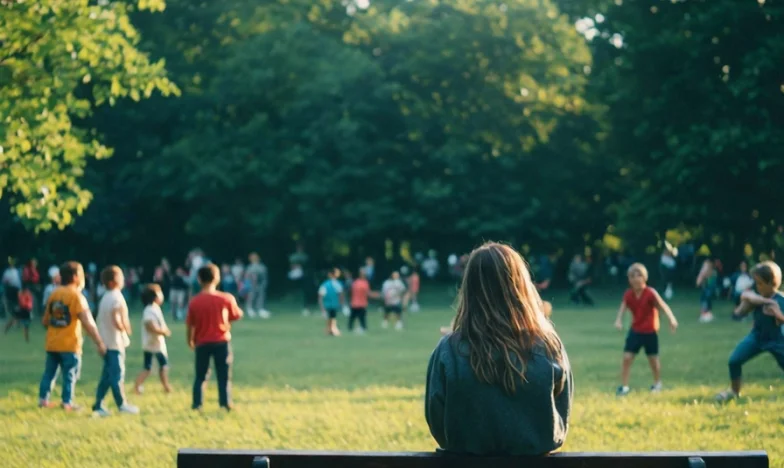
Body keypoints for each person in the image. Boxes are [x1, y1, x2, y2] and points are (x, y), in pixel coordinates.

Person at [426, 242, 572, 456]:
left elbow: (438, 422)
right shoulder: (549, 346)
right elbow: (560, 419)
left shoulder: (449, 351)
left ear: (470, 287)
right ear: (520, 287)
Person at [39, 262, 107, 411]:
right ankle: (67, 402)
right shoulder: (77, 296)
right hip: (70, 344)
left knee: (49, 373)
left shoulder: (54, 294)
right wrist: (99, 342)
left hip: (52, 343)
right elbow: (87, 321)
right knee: (70, 374)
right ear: (76, 277)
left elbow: (45, 321)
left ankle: (43, 399)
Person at [716, 261, 784, 402]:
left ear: (772, 283)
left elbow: (780, 320)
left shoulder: (780, 300)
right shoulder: (758, 298)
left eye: (759, 283)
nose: (757, 287)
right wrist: (764, 302)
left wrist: (777, 313)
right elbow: (740, 309)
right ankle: (734, 392)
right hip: (757, 338)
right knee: (734, 361)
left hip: (777, 340)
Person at [613, 263, 679, 396]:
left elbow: (663, 306)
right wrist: (618, 320)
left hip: (650, 332)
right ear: (629, 279)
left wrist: (671, 319)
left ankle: (657, 384)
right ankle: (624, 387)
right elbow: (622, 308)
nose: (636, 278)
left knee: (653, 360)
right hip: (636, 331)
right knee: (627, 358)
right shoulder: (628, 294)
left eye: (639, 275)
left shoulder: (650, 293)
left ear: (645, 278)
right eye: (632, 276)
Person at [186, 264, 243, 411]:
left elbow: (190, 325)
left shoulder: (194, 301)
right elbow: (236, 315)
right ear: (217, 278)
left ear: (199, 279)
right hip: (221, 341)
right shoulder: (225, 299)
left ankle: (197, 404)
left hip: (202, 342)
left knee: (200, 375)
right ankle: (225, 403)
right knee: (223, 375)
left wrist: (190, 341)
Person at [92, 266, 139, 417]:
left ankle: (98, 405)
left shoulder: (105, 296)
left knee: (107, 376)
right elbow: (116, 316)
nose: (123, 279)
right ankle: (121, 404)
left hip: (106, 342)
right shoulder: (116, 296)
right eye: (121, 277)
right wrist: (124, 327)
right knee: (117, 375)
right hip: (114, 343)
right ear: (113, 282)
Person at [134, 284, 172, 395]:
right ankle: (138, 386)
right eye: (160, 293)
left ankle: (166, 387)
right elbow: (150, 326)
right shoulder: (149, 310)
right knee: (158, 367)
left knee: (156, 367)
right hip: (153, 344)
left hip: (155, 343)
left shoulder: (155, 308)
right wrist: (163, 332)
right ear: (155, 297)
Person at [348, 268, 378, 334]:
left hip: (354, 303)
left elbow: (351, 292)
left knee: (352, 318)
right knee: (362, 319)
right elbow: (368, 293)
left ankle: (350, 329)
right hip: (361, 304)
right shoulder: (365, 283)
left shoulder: (355, 282)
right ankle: (362, 328)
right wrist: (377, 295)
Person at [318, 268, 345, 336]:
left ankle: (329, 330)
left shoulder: (324, 284)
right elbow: (341, 295)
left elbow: (320, 297)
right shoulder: (337, 284)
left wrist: (322, 308)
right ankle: (333, 330)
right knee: (333, 318)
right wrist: (342, 304)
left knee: (330, 318)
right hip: (334, 305)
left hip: (326, 305)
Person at [245, 253, 270, 319]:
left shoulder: (262, 266)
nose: (254, 259)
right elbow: (247, 276)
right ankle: (250, 309)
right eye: (253, 258)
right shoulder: (250, 267)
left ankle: (260, 309)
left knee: (261, 297)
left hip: (261, 284)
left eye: (255, 258)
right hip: (252, 285)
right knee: (251, 297)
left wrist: (263, 284)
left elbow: (265, 276)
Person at [696, 258, 717, 323]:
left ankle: (707, 313)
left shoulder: (713, 272)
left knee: (707, 296)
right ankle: (704, 313)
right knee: (704, 297)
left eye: (706, 265)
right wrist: (702, 275)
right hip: (705, 291)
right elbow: (698, 283)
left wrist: (706, 275)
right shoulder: (702, 273)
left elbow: (712, 284)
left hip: (710, 291)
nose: (705, 267)